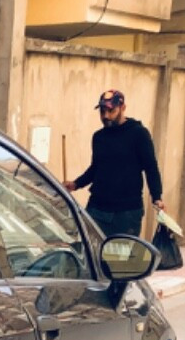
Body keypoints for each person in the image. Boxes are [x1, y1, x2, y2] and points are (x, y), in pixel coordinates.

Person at [63, 89, 164, 238]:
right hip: (97, 208)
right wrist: (76, 184)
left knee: (120, 259)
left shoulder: (138, 134)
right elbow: (96, 168)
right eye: (102, 111)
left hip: (126, 212)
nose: (106, 116)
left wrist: (157, 196)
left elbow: (150, 167)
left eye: (111, 111)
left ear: (123, 108)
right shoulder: (99, 137)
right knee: (91, 252)